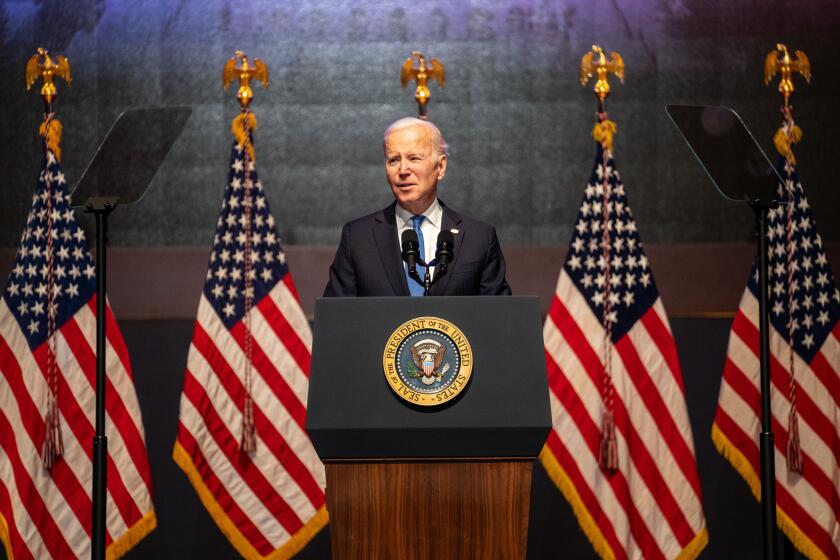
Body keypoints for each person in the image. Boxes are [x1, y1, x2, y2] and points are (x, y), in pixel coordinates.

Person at [324, 117, 511, 297]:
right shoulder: (358, 237)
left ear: (441, 166)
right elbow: (337, 319)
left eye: (414, 158)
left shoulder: (478, 238)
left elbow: (500, 318)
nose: (403, 170)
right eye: (394, 160)